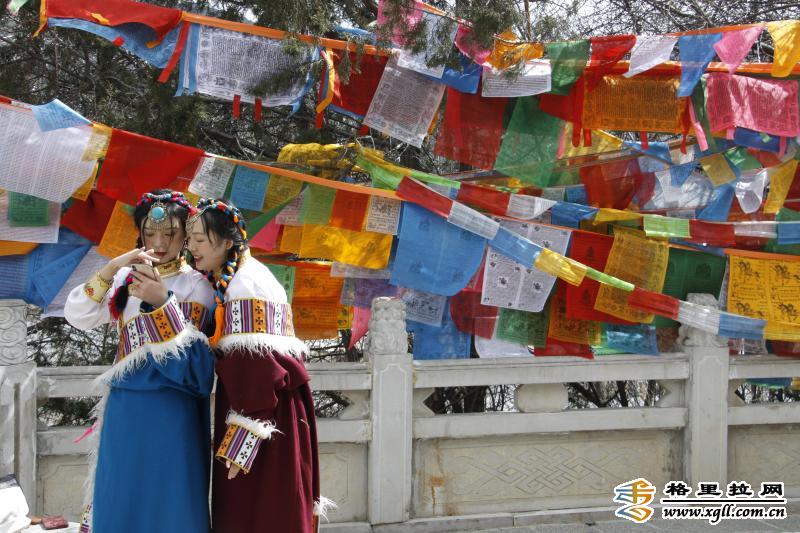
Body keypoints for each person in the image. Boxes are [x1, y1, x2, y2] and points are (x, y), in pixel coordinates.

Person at [64, 190, 216, 533]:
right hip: (125, 408)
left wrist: (162, 303)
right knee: (120, 494)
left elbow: (194, 366)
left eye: (170, 234)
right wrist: (111, 268)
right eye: (149, 233)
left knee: (171, 499)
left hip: (173, 408)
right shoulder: (124, 280)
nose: (159, 243)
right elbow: (78, 315)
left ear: (185, 235)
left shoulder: (198, 286)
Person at [186, 198, 331, 533]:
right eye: (190, 239)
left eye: (200, 240)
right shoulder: (242, 276)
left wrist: (240, 448)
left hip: (264, 416)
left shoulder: (245, 286)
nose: (191, 247)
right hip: (270, 408)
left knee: (258, 509)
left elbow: (260, 371)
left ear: (226, 242)